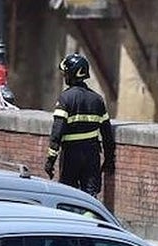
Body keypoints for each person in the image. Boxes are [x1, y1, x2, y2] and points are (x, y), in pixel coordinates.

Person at [44, 53, 115, 197]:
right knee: (90, 196)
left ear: (70, 75)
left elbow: (57, 133)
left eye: (65, 75)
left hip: (71, 154)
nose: (65, 78)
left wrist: (50, 160)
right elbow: (107, 134)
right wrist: (109, 159)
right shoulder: (97, 100)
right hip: (92, 154)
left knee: (68, 195)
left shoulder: (65, 98)